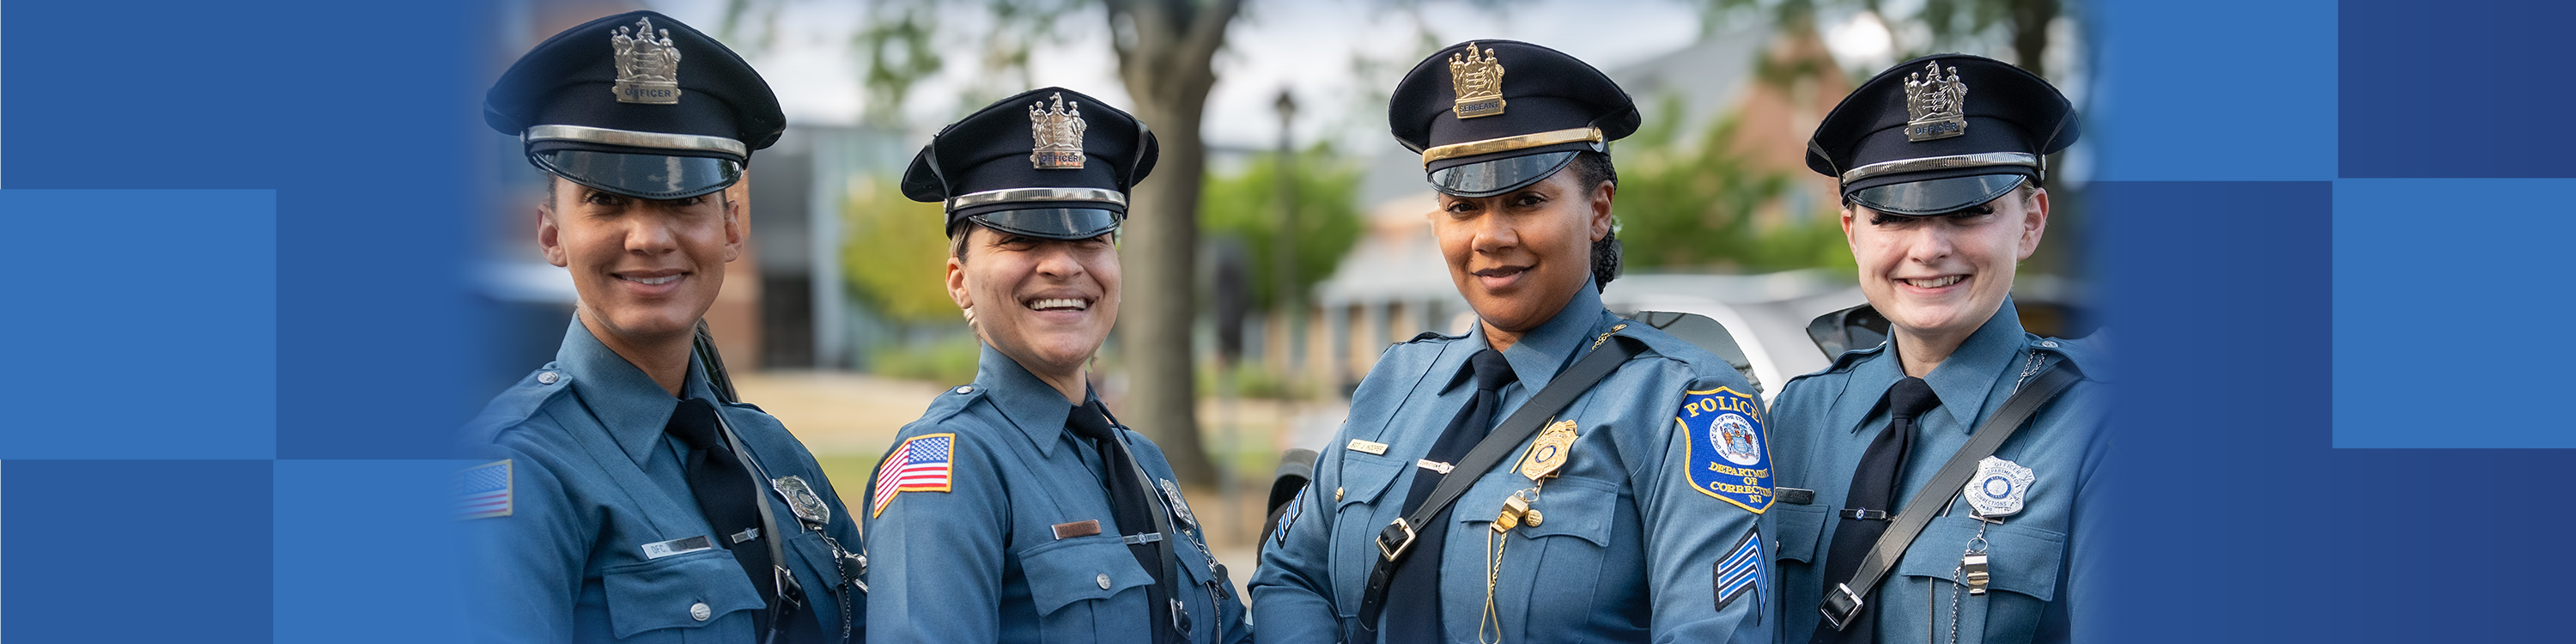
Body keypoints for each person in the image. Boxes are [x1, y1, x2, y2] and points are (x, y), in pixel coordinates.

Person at [1249, 39, 1775, 643]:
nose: (1491, 236)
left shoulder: (1682, 404)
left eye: (1527, 201)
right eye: (1463, 207)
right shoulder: (1395, 382)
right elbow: (1289, 576)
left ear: (1599, 210)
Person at [461, 11, 865, 643]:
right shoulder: (515, 471)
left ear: (731, 228)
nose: (649, 238)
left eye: (683, 201)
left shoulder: (772, 451)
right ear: (551, 234)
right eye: (606, 200)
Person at [860, 87, 1252, 644]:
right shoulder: (947, 472)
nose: (1064, 265)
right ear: (959, 281)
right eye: (1021, 237)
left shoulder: (1142, 460)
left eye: (1092, 236)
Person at [1768, 54, 2108, 644]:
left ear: (2030, 224)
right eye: (1892, 217)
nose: (1928, 248)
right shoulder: (1797, 415)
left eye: (1969, 211)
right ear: (1852, 232)